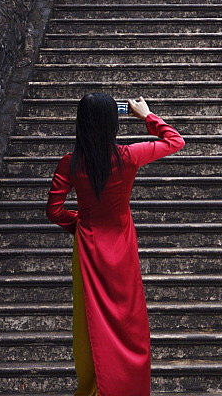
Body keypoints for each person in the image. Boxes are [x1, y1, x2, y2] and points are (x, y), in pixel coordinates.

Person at [46, 93, 185, 396]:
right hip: (121, 248)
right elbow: (175, 141)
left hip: (88, 248)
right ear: (113, 122)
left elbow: (54, 212)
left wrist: (81, 225)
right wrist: (147, 115)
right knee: (129, 323)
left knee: (91, 321)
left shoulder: (70, 164)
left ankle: (96, 386)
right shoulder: (128, 156)